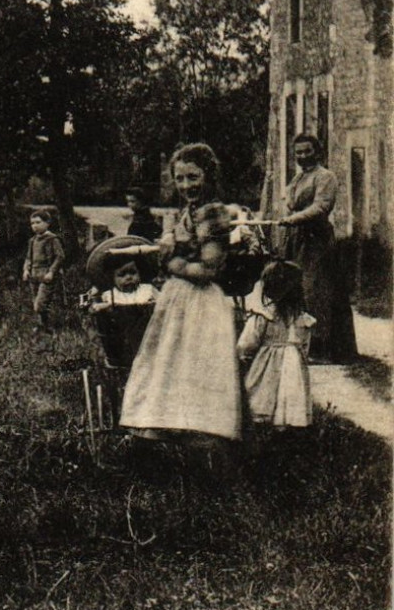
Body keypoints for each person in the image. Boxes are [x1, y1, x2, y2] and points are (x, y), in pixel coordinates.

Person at [119, 143, 244, 461]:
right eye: (180, 178)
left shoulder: (213, 213)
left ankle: (205, 449)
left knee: (196, 368)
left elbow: (209, 269)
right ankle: (169, 439)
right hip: (180, 298)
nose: (186, 185)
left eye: (193, 177)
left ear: (208, 176)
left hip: (201, 302)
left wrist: (170, 262)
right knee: (168, 364)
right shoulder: (189, 211)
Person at [275, 134, 358, 364]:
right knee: (297, 290)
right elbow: (290, 203)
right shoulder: (298, 178)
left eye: (307, 151)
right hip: (298, 241)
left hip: (317, 241)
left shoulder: (325, 177)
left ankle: (324, 349)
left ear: (317, 152)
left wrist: (293, 219)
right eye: (298, 152)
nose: (302, 156)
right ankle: (302, 343)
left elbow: (321, 207)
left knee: (317, 291)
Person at [240, 260, 314, 430]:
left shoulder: (263, 316)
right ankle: (286, 429)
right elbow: (304, 345)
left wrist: (244, 357)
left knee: (265, 393)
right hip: (294, 367)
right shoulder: (302, 318)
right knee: (290, 396)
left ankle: (264, 428)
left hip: (267, 365)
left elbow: (247, 342)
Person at [22, 208, 65, 329]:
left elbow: (60, 256)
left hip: (46, 275)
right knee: (35, 300)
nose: (35, 226)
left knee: (40, 304)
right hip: (34, 275)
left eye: (38, 222)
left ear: (47, 223)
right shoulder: (32, 241)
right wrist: (26, 270)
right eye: (32, 223)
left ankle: (52, 324)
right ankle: (43, 326)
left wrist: (51, 272)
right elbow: (28, 257)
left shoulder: (52, 239)